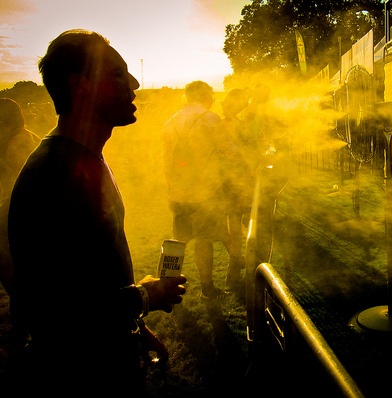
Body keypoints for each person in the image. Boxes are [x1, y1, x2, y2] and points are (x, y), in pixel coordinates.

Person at [7, 29, 187, 395]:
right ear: (82, 86)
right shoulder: (52, 176)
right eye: (118, 73)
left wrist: (136, 328)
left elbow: (86, 277)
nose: (134, 83)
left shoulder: (83, 158)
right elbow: (52, 312)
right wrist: (145, 297)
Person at [162, 80, 235, 299]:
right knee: (204, 241)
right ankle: (207, 287)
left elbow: (166, 161)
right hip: (206, 192)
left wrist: (170, 189)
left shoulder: (170, 123)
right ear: (205, 95)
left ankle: (166, 286)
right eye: (211, 94)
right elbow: (230, 151)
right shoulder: (210, 119)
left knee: (178, 242)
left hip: (178, 192)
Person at [0, 98, 41, 348]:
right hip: (11, 211)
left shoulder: (20, 142)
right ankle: (25, 320)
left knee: (15, 269)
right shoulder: (16, 139)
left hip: (17, 213)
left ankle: (29, 324)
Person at [219, 88, 253, 291]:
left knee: (236, 222)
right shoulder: (221, 125)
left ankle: (235, 264)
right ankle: (236, 260)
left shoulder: (240, 125)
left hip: (237, 179)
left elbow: (247, 152)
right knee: (229, 223)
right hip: (225, 179)